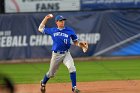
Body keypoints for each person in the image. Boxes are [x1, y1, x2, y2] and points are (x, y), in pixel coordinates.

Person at [38, 14, 88, 93]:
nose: (62, 22)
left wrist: (81, 45)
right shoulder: (53, 30)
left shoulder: (69, 30)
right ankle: (43, 83)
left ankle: (74, 88)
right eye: (60, 21)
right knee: (51, 74)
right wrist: (46, 18)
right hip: (56, 55)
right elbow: (40, 28)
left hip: (66, 54)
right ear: (56, 22)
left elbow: (75, 42)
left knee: (72, 68)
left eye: (63, 20)